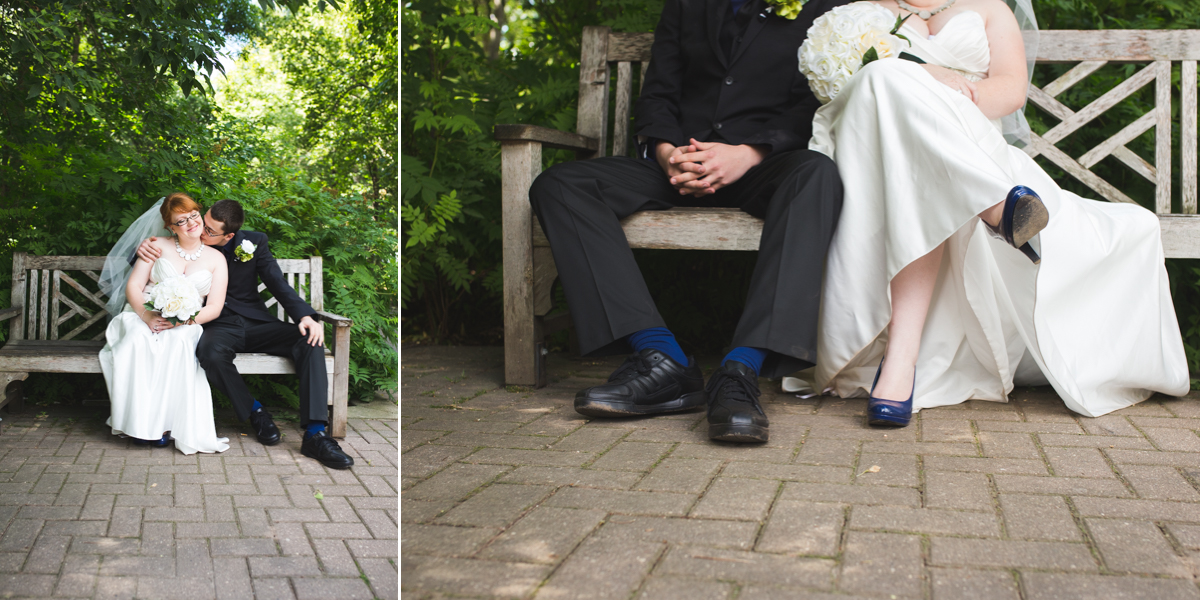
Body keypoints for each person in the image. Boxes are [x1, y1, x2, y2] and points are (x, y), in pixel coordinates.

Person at [801, 0, 1189, 425]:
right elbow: (844, 88)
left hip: (971, 147)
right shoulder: (858, 10)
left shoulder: (989, 7)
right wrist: (917, 75)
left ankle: (900, 364)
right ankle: (998, 208)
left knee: (922, 169)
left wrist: (944, 96)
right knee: (881, 81)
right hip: (884, 157)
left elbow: (1010, 89)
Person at [528, 0, 850, 443]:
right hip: (677, 165)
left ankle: (740, 371)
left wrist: (748, 153)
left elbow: (812, 104)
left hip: (761, 166)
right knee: (560, 185)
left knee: (818, 174)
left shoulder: (828, 8)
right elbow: (659, 93)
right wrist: (666, 154)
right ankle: (661, 358)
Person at [135, 200, 354, 469]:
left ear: (229, 235)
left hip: (256, 322)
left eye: (210, 230)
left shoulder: (253, 243)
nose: (201, 229)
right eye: (203, 221)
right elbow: (153, 257)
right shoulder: (187, 238)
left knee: (310, 340)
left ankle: (316, 434)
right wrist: (141, 247)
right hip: (216, 325)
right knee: (210, 354)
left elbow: (277, 282)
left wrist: (306, 317)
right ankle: (255, 411)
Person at [99, 193, 230, 454]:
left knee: (179, 342)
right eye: (181, 221)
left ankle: (167, 426)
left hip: (186, 322)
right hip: (142, 313)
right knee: (136, 340)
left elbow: (214, 308)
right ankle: (139, 425)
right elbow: (134, 286)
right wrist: (146, 316)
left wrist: (183, 320)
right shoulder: (156, 245)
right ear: (171, 227)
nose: (191, 223)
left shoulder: (217, 259)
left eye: (193, 215)